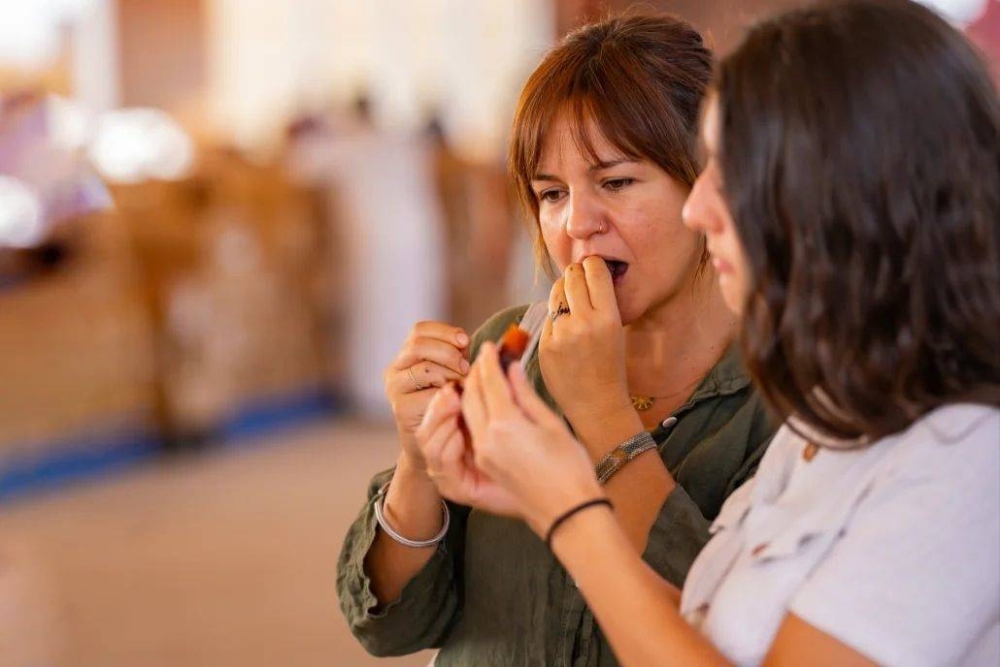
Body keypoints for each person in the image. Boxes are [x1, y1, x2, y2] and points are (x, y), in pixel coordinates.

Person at [420, 0, 1000, 664]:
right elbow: (705, 626)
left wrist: (571, 510)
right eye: (551, 193)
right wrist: (493, 484)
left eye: (732, 170)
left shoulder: (968, 451)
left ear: (852, 191)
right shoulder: (831, 415)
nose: (699, 207)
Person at [337, 13, 776, 666]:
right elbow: (391, 626)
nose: (576, 223)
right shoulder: (507, 349)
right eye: (551, 193)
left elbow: (732, 634)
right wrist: (418, 465)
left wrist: (601, 411)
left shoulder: (787, 400)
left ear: (710, 184)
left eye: (616, 182)